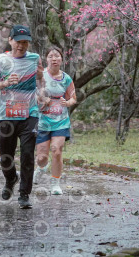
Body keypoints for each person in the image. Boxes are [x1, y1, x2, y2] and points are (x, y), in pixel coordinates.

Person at [0, 25, 44, 209]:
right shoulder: (0, 60)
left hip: (30, 114)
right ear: (10, 40)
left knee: (27, 154)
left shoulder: (35, 58)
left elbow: (41, 78)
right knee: (6, 157)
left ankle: (24, 194)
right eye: (18, 42)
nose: (21, 46)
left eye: (25, 42)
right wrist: (4, 83)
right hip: (7, 115)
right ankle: (11, 179)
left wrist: (42, 94)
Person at [33, 47, 77, 195]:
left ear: (62, 59)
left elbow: (73, 98)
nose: (54, 59)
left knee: (57, 151)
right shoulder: (40, 76)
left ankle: (55, 183)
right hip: (42, 121)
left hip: (61, 121)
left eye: (57, 56)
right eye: (51, 56)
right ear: (46, 59)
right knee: (41, 158)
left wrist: (67, 103)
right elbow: (31, 94)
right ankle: (41, 167)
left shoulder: (66, 78)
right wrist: (41, 98)